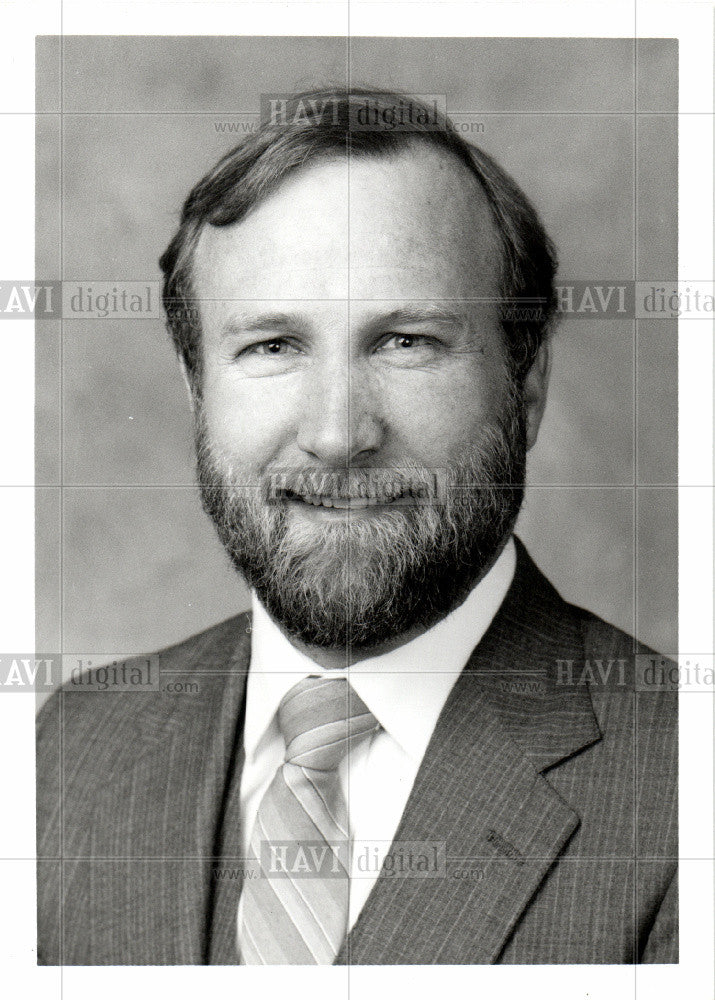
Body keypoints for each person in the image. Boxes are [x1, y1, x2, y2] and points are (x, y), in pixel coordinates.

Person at [36, 88, 677, 965]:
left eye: (405, 341)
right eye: (271, 346)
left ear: (526, 388)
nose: (337, 435)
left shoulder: (683, 788)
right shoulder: (68, 749)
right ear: (197, 391)